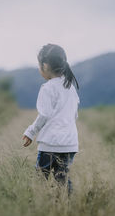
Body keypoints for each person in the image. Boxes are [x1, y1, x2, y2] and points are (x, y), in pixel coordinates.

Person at [22, 43, 80, 195]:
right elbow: (74, 115)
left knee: (40, 181)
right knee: (63, 180)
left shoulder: (48, 88)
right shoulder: (71, 88)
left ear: (45, 65)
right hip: (69, 144)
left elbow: (44, 114)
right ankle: (66, 207)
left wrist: (30, 132)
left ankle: (37, 206)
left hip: (50, 144)